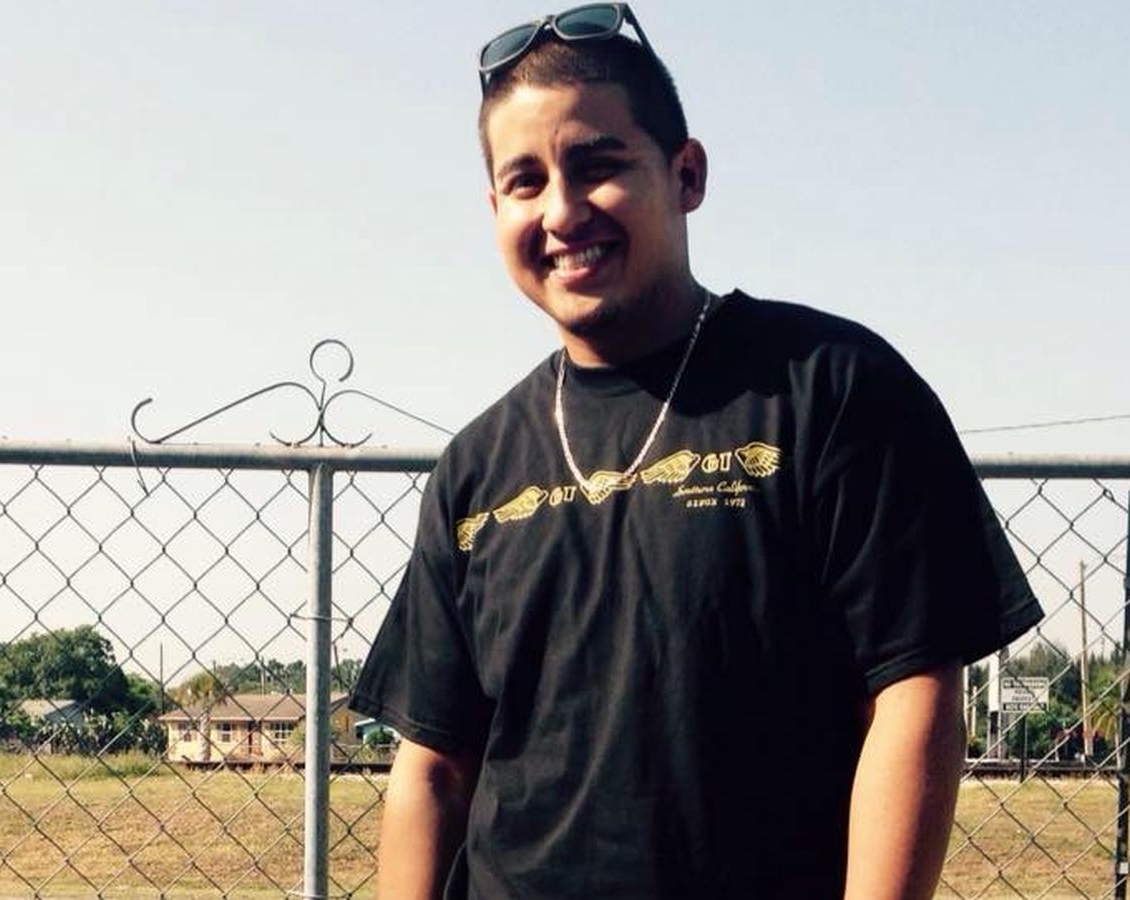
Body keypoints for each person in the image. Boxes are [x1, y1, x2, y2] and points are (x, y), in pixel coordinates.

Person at [349, 5, 1043, 898]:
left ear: (686, 174)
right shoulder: (475, 467)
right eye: (525, 182)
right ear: (494, 209)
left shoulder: (832, 390)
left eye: (598, 166)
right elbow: (434, 767)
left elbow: (912, 698)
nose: (562, 211)